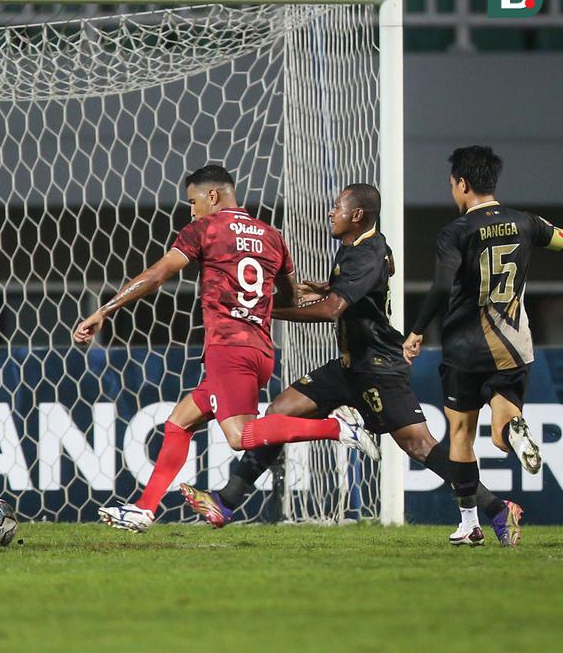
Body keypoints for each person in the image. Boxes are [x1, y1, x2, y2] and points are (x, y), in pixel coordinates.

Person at [181, 184, 521, 546]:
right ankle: (226, 502)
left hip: (377, 367)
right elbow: (355, 290)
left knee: (420, 447)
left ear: (357, 214)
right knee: (282, 410)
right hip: (347, 366)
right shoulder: (358, 247)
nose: (331, 212)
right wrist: (326, 286)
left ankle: (499, 510)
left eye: (337, 207)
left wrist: (261, 311)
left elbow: (333, 310)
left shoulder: (367, 253)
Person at [73, 165, 380, 534]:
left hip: (228, 349)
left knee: (239, 437)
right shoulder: (272, 236)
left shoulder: (206, 229)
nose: (191, 210)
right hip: (261, 350)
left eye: (192, 201)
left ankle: (335, 427)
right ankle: (144, 509)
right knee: (178, 423)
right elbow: (286, 295)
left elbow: (158, 274)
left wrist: (105, 310)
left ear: (213, 196)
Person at [403, 146, 562, 539]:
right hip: (514, 346)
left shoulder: (456, 232)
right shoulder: (526, 222)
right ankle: (514, 433)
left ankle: (471, 522)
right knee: (500, 432)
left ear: (463, 184)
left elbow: (442, 284)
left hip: (465, 349)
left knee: (461, 436)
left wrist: (417, 329)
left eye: (453, 185)